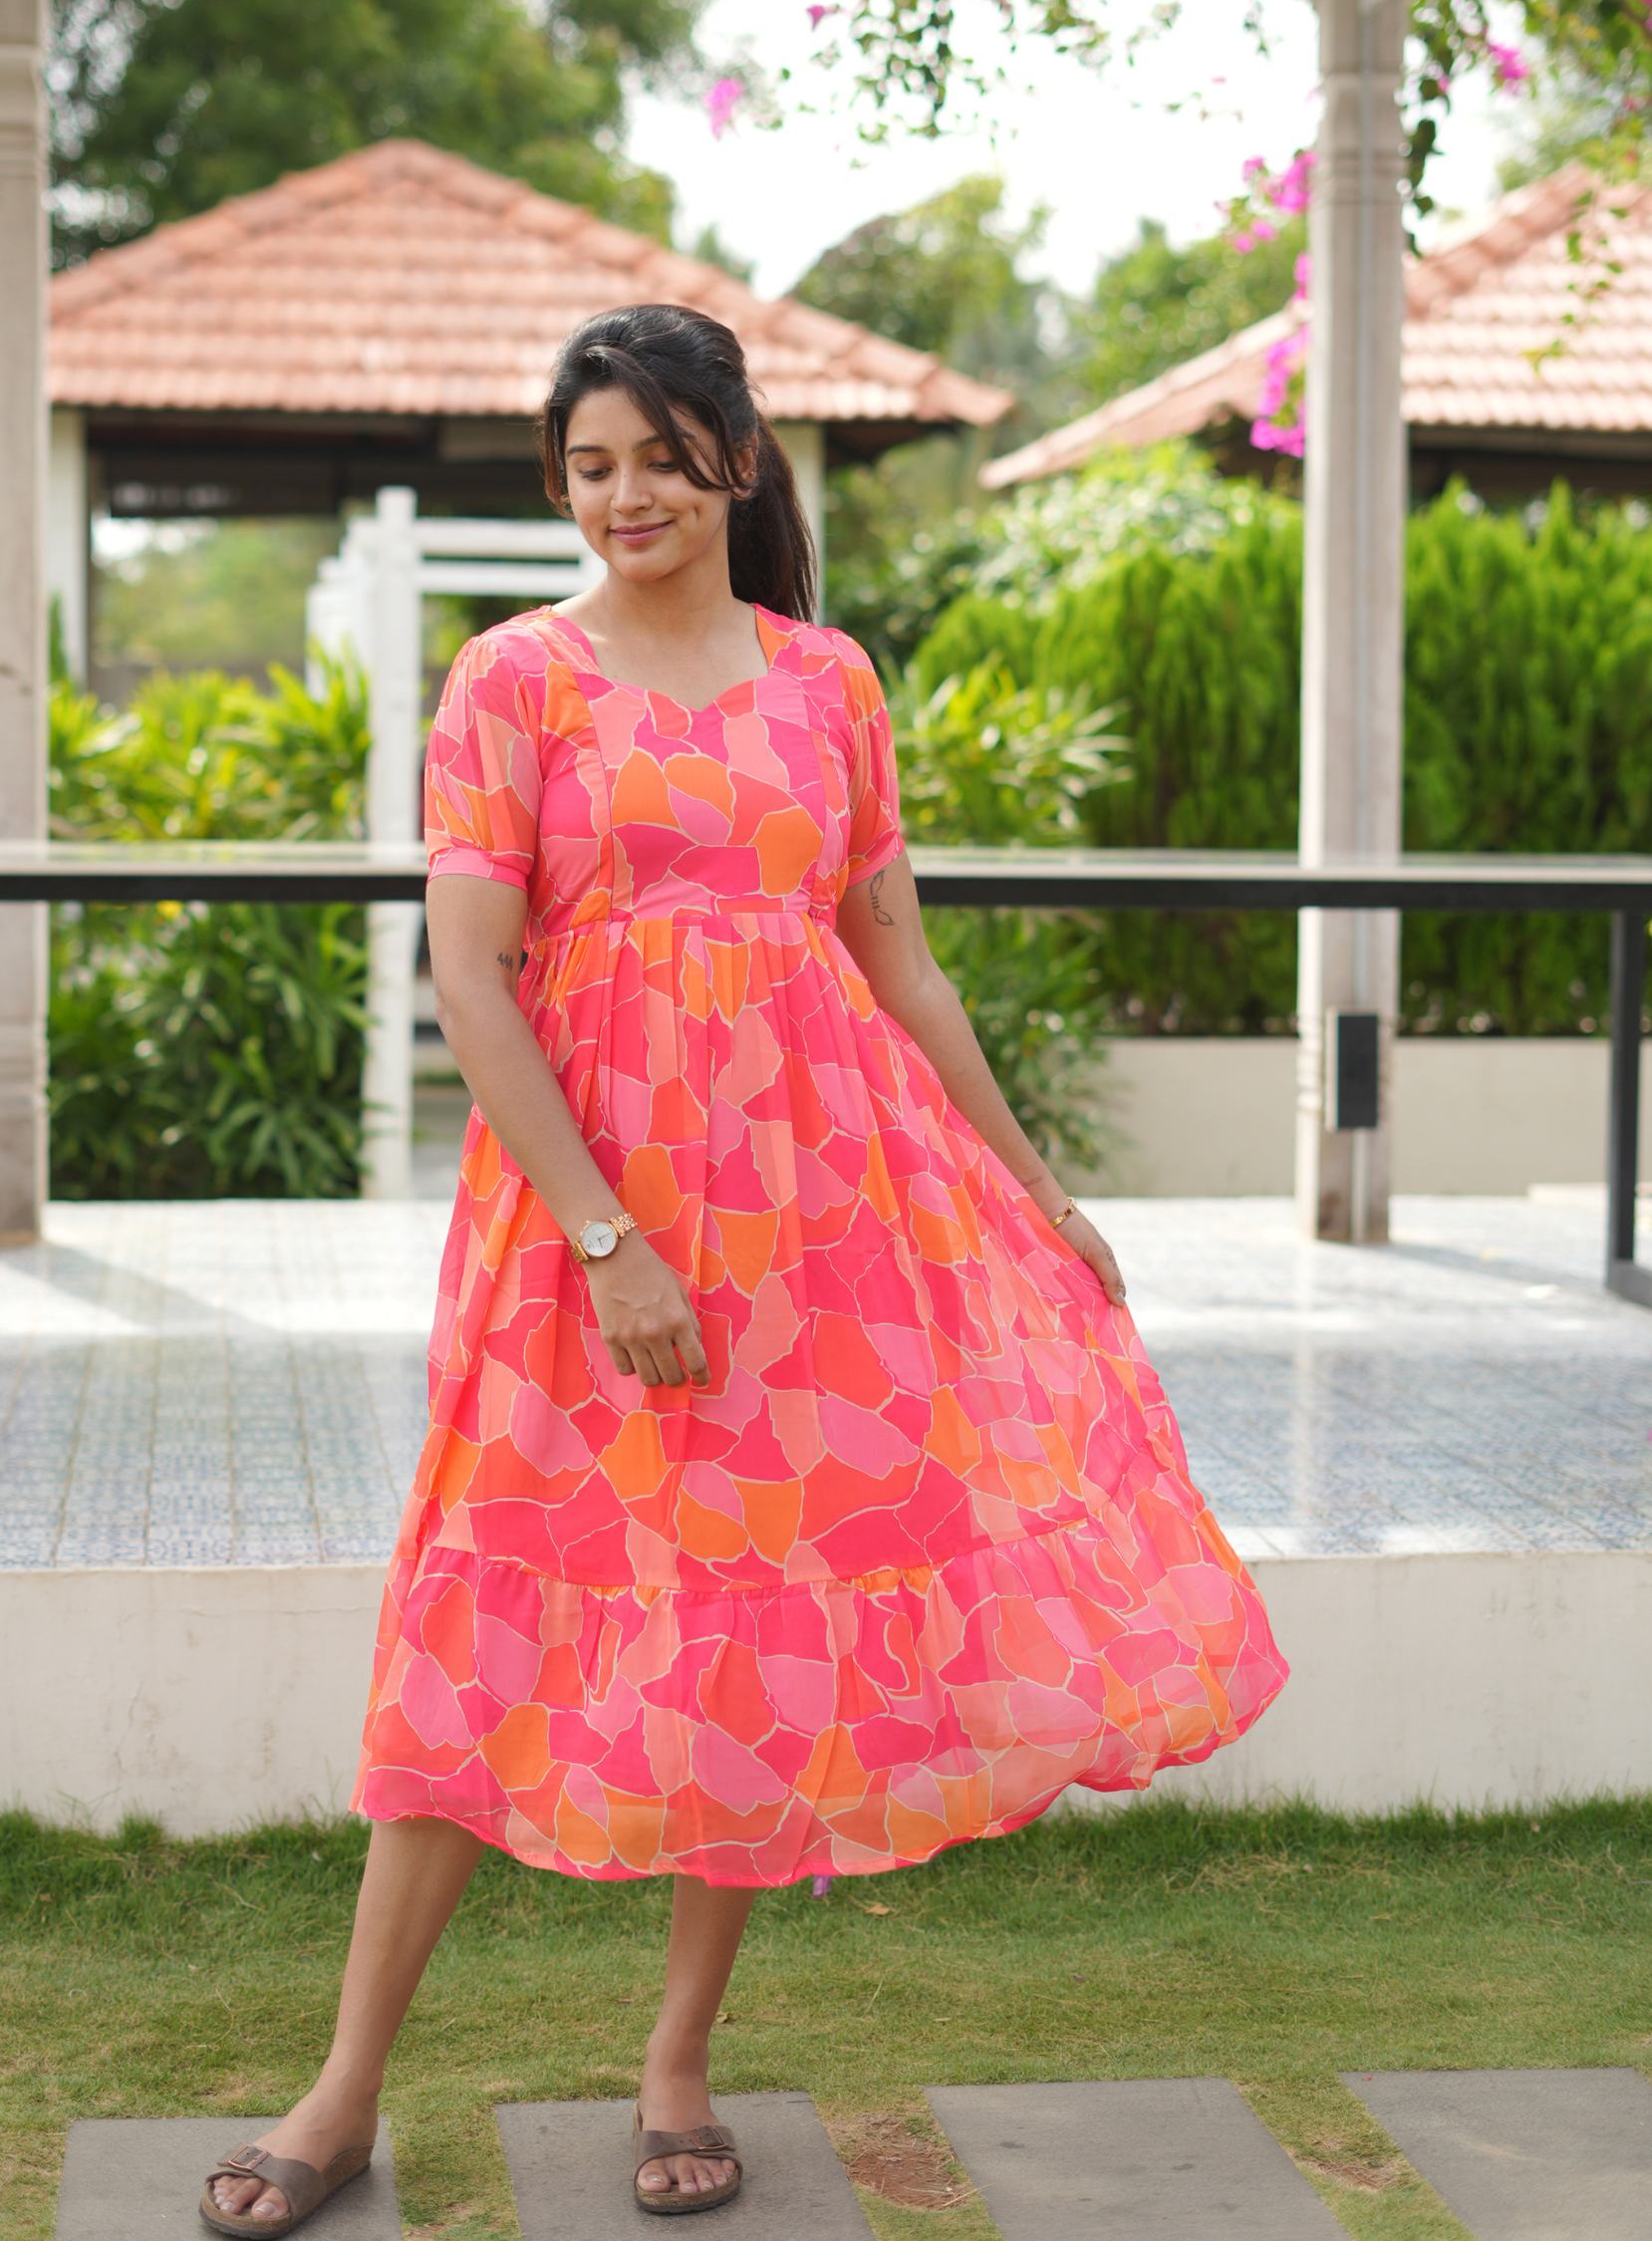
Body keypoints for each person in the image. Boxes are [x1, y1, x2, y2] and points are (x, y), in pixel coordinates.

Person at [201, 303, 1287, 2232]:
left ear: (733, 455)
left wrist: (1036, 1191)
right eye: (587, 464)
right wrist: (607, 1236)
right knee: (486, 1610)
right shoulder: (512, 682)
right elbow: (471, 975)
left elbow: (898, 958)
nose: (620, 494)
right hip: (582, 1219)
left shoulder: (829, 683)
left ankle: (677, 2061)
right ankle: (344, 2083)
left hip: (814, 1213)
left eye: (653, 454)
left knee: (757, 1621)